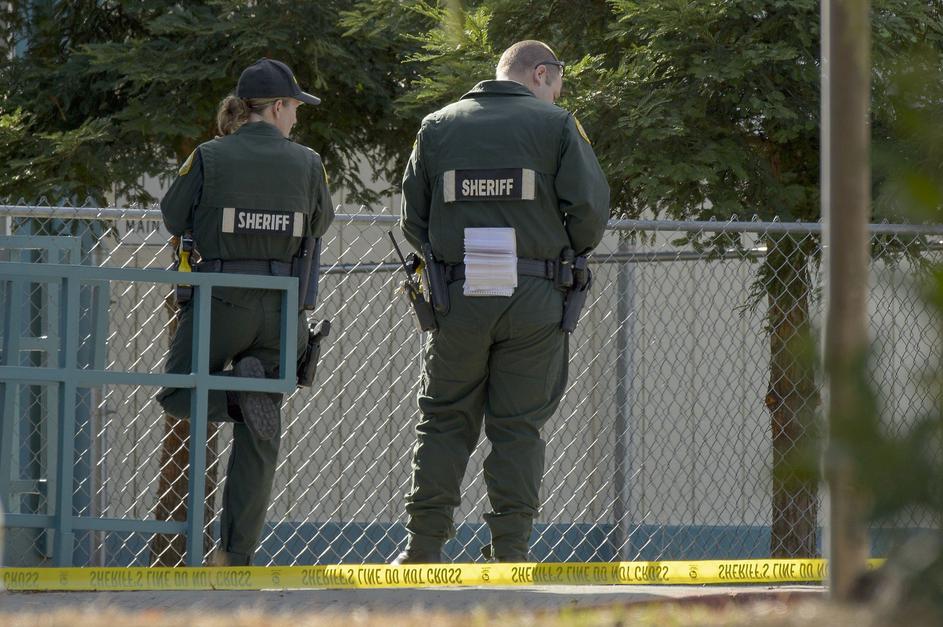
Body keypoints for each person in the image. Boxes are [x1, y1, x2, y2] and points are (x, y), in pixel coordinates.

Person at [395, 40, 610, 564]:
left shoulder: (437, 126)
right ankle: (511, 551)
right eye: (558, 82)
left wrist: (451, 256)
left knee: (444, 418)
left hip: (458, 293)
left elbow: (413, 221)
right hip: (534, 292)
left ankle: (423, 548)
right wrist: (554, 252)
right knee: (518, 425)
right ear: (540, 73)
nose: (557, 94)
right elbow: (589, 213)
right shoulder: (557, 125)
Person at [156, 58, 335, 566]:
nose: (296, 118)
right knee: (261, 430)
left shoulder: (209, 155)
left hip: (220, 299)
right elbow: (321, 221)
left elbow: (172, 214)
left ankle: (235, 395)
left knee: (180, 393)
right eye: (295, 108)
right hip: (282, 307)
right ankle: (235, 554)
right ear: (276, 107)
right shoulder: (308, 163)